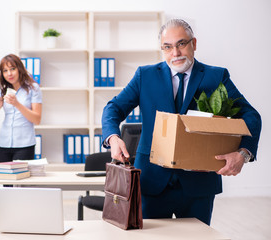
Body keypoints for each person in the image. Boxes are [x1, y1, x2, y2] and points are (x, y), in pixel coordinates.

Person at [101, 19, 261, 225]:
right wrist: (113, 138)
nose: (175, 53)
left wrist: (243, 154)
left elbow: (251, 116)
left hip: (199, 184)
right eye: (167, 47)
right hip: (152, 181)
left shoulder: (216, 76)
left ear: (194, 43)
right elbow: (113, 108)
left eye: (181, 44)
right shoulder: (145, 76)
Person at [0, 54, 42, 163]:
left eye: (12, 69)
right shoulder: (4, 90)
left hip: (24, 145)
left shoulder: (33, 88)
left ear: (19, 69)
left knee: (20, 179)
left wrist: (17, 104)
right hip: (4, 143)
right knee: (5, 179)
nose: (9, 73)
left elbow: (37, 119)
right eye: (5, 71)